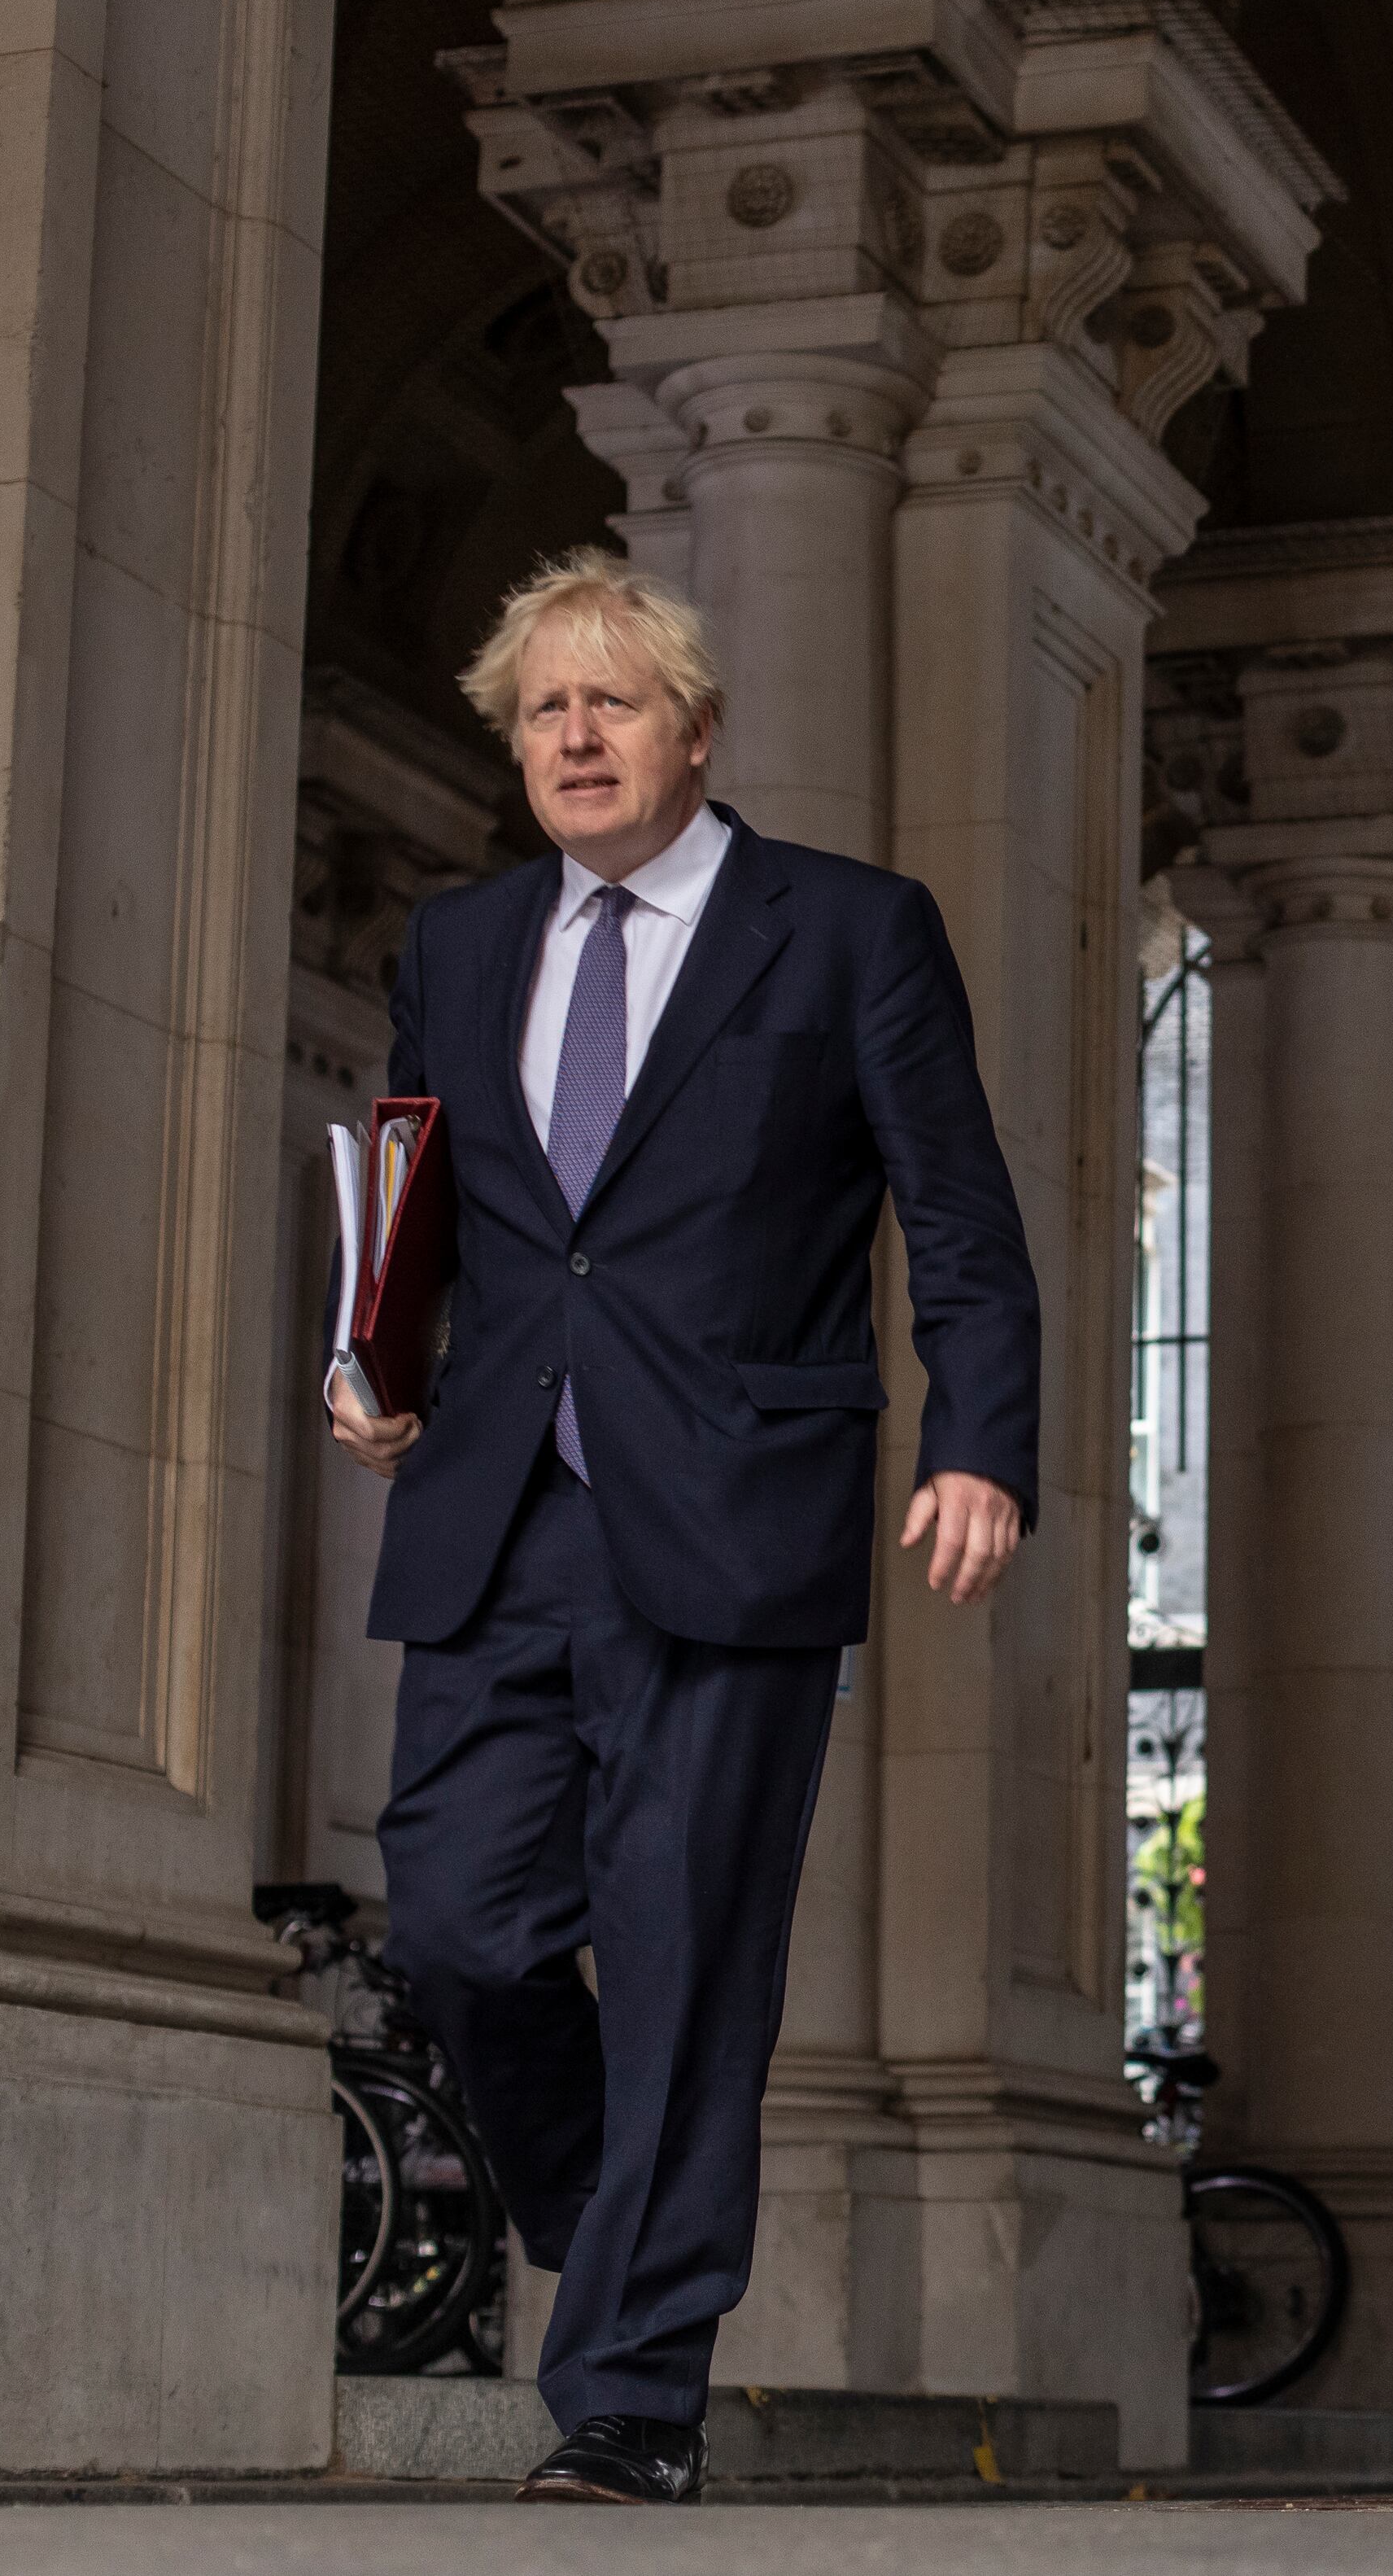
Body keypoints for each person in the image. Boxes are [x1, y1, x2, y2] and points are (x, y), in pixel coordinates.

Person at [325, 552, 1039, 2505]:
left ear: (694, 733)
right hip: (499, 1509)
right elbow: (419, 1195)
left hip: (736, 1512)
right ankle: (610, 2228)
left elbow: (956, 1214)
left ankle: (630, 2391)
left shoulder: (845, 933)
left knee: (685, 1955)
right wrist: (369, 1357)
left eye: (610, 702)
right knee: (458, 1921)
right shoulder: (466, 946)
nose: (572, 733)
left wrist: (980, 1441)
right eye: (543, 707)